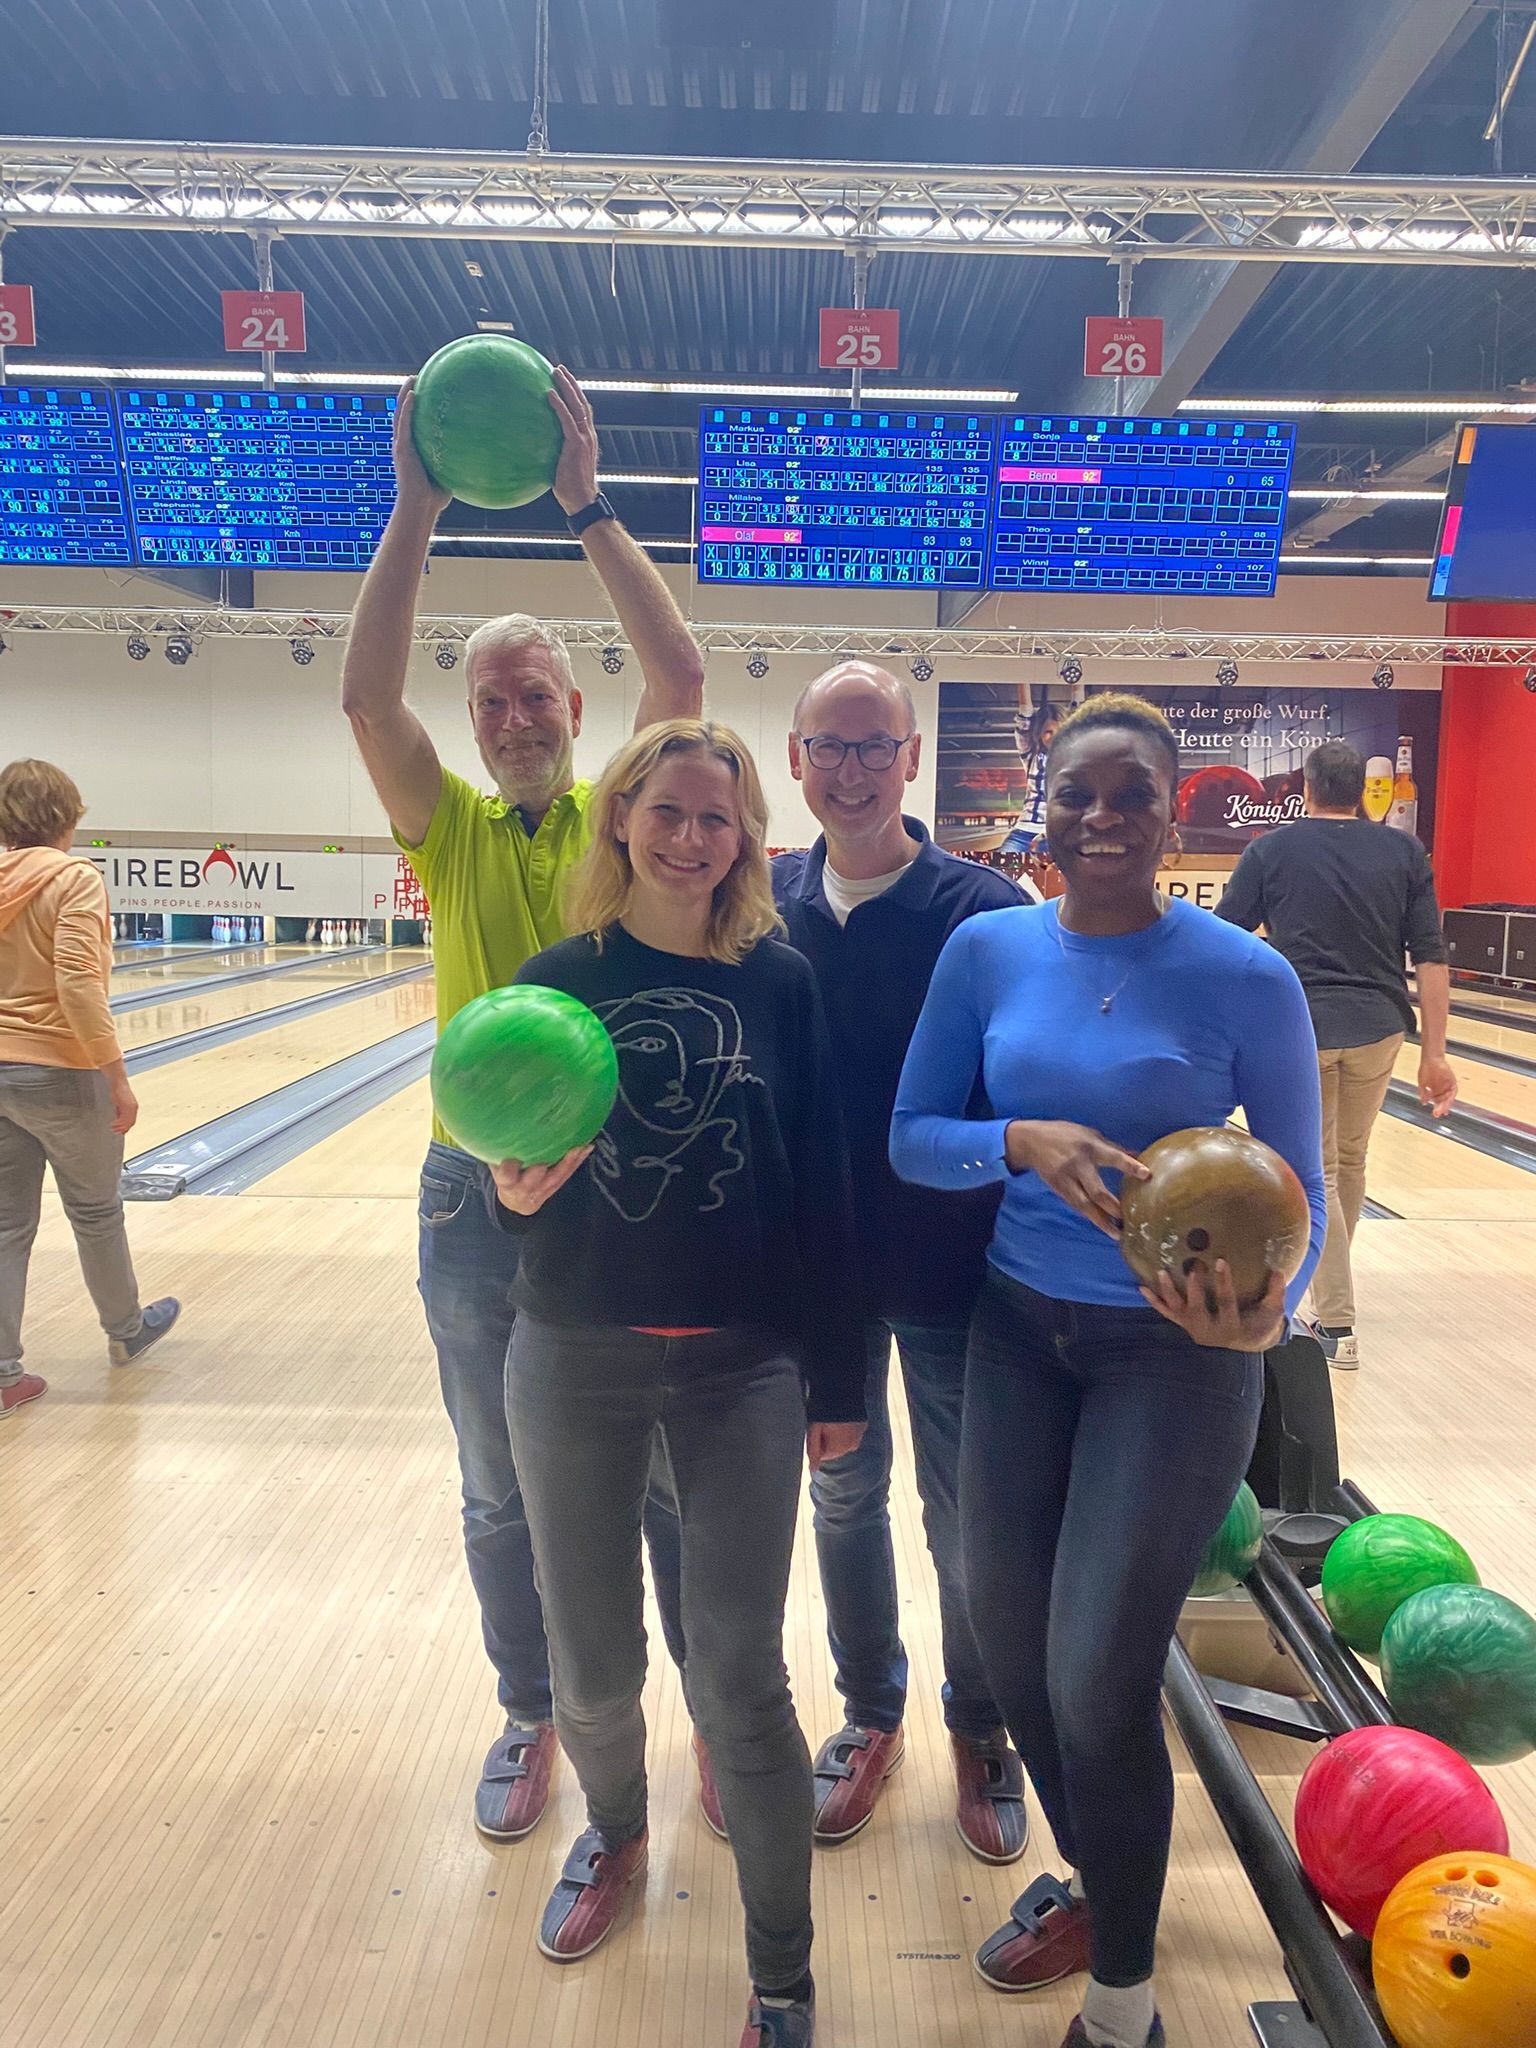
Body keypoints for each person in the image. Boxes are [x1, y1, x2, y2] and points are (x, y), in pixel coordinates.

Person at [891, 694, 1326, 2048]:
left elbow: (1306, 1189)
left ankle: (1126, 2004)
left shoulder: (1247, 976)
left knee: (1096, 1677)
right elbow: (914, 1134)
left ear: (1172, 804)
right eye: (1078, 791)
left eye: (1132, 792)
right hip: (1018, 1334)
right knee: (1014, 1657)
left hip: (1176, 1362)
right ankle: (1105, 1874)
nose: (1101, 817)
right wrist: (1016, 1138)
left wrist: (1268, 1316)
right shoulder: (987, 949)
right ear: (1046, 799)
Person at [341, 367, 705, 1842]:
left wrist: (587, 505)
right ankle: (529, 1707)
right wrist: (414, 507)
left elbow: (679, 680)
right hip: (468, 1192)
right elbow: (368, 699)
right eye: (488, 700)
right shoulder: (449, 828)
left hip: (623, 1188)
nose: (509, 717)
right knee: (496, 1482)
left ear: (573, 710)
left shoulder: (619, 818)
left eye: (533, 695)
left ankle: (708, 1708)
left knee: (664, 1475)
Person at [490, 719, 865, 2048]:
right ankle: (616, 1828)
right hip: (573, 1357)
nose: (692, 837)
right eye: (668, 810)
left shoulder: (781, 980)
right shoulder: (556, 980)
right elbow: (516, 1179)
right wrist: (510, 1192)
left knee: (741, 1678)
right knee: (592, 1673)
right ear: (621, 816)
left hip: (740, 1367)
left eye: (719, 817)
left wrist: (840, 1382)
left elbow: (824, 1186)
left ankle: (782, 1975)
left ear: (747, 838)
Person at [772, 660, 1033, 1861]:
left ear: (913, 758)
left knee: (966, 1514)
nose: (854, 769)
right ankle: (871, 1710)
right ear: (796, 759)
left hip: (948, 1267)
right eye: (831, 745)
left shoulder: (981, 909)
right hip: (816, 1272)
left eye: (877, 744)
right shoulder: (763, 899)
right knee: (843, 1495)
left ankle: (981, 1723)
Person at [1217, 738, 1457, 1371]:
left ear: (1307, 789)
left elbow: (1221, 936)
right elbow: (1431, 957)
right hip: (1380, 1029)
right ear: (1363, 795)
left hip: (1300, 1027)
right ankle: (1330, 1293)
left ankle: (1338, 1323)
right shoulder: (1404, 852)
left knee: (1315, 1171)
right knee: (1348, 1161)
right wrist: (1436, 1054)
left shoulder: (1270, 849)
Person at [1, 758, 181, 1414]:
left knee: (5, 1225)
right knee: (96, 1211)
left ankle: (3, 1375)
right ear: (66, 817)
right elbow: (77, 983)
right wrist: (115, 1074)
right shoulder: (73, 878)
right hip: (62, 1071)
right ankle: (127, 1331)